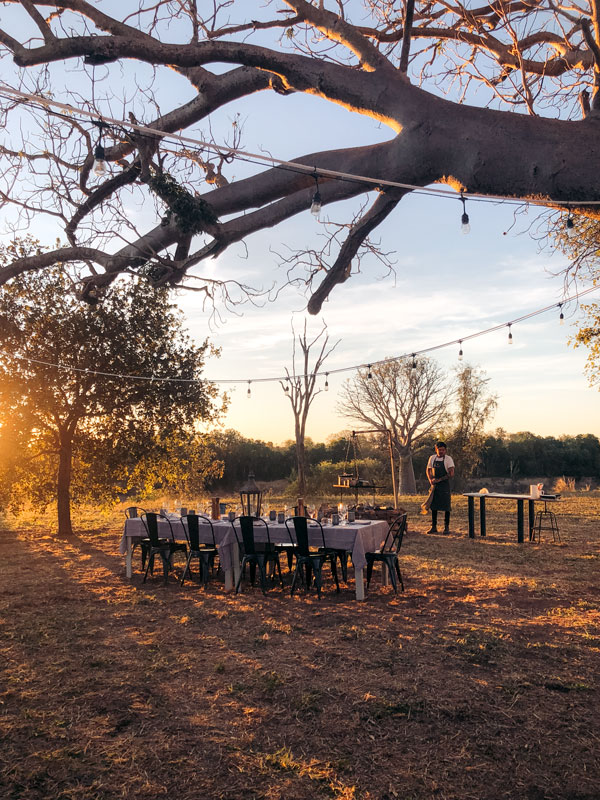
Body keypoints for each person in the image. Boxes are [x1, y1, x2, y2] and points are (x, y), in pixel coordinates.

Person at [425, 441, 455, 534]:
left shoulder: (448, 459)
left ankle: (446, 528)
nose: (441, 451)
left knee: (446, 507)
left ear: (445, 450)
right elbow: (428, 470)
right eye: (439, 450)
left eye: (443, 450)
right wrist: (430, 479)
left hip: (444, 485)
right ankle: (434, 527)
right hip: (435, 486)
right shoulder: (432, 458)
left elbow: (451, 474)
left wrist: (440, 479)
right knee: (434, 506)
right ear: (436, 449)